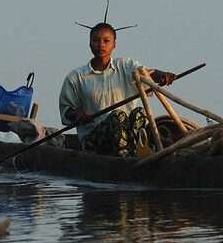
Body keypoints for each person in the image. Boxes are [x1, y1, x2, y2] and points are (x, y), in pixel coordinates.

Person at [59, 23, 175, 156]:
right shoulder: (76, 77)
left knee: (140, 113)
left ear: (114, 45)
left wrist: (161, 75)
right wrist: (77, 114)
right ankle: (124, 157)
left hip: (130, 138)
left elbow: (144, 73)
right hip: (94, 140)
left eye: (106, 41)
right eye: (96, 41)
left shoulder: (126, 66)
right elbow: (66, 110)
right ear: (89, 44)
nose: (101, 45)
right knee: (118, 116)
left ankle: (139, 151)